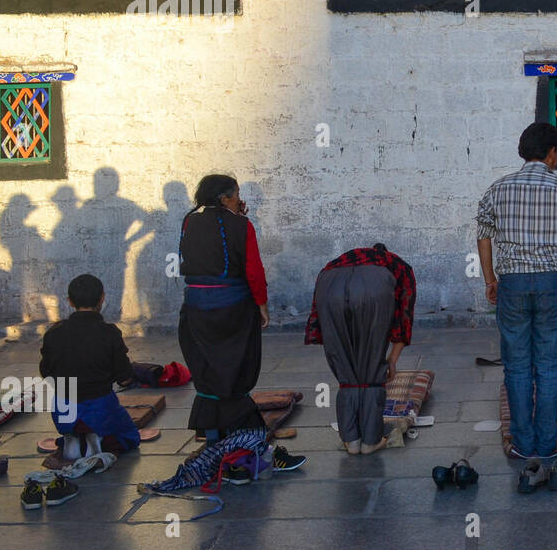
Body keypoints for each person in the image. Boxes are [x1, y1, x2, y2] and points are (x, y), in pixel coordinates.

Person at [146, 175, 302, 492]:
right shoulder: (242, 227)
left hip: (194, 309)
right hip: (231, 310)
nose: (238, 200)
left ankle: (214, 440)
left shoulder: (189, 220)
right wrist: (262, 304)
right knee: (234, 370)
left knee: (208, 372)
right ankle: (238, 448)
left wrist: (236, 216)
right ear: (224, 198)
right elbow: (253, 269)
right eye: (236, 195)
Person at [476, 122, 557, 492]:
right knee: (549, 362)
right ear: (553, 153)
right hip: (550, 282)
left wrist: (491, 278)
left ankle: (524, 447)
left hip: (511, 283)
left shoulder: (498, 189)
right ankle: (547, 442)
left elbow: (484, 234)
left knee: (517, 364)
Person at [305, 243, 417, 455]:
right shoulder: (397, 266)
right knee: (371, 365)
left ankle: (352, 441)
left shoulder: (338, 262)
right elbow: (404, 317)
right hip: (371, 293)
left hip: (328, 288)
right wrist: (391, 360)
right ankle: (370, 441)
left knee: (347, 371)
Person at [39, 273, 140, 459]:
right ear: (102, 298)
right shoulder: (110, 333)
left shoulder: (53, 333)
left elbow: (46, 373)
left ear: (70, 301)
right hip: (100, 409)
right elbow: (124, 378)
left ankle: (74, 438)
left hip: (63, 412)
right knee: (130, 437)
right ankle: (98, 439)